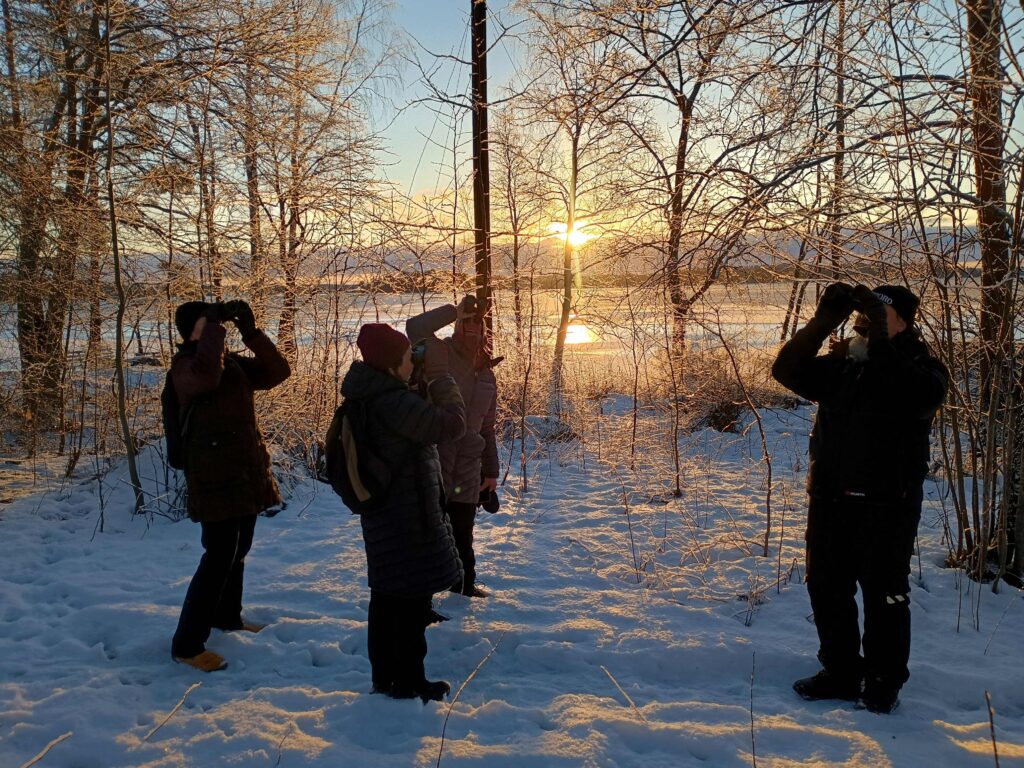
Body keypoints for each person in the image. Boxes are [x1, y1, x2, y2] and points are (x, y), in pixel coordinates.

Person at [772, 283, 948, 713]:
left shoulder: (924, 368)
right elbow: (787, 371)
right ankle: (841, 673)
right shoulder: (846, 363)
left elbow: (907, 394)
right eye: (865, 315)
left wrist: (884, 342)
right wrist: (823, 321)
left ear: (905, 321)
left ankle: (884, 682)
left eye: (880, 315)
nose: (868, 322)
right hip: (831, 496)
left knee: (885, 593)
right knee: (827, 587)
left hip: (888, 502)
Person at [343, 322, 466, 702]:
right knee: (410, 604)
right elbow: (452, 424)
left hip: (386, 516)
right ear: (393, 364)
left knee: (387, 599)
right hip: (407, 518)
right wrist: (443, 377)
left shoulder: (372, 395)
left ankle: (387, 679)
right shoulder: (394, 404)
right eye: (406, 357)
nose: (413, 363)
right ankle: (409, 683)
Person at [170, 299, 291, 672]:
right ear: (193, 331)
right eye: (207, 324)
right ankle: (187, 644)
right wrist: (213, 329)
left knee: (240, 548)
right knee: (219, 555)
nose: (215, 329)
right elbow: (206, 376)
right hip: (213, 477)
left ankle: (228, 617)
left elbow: (277, 371)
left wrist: (251, 332)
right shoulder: (185, 368)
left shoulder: (231, 362)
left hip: (243, 472)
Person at [407, 295, 499, 598]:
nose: (472, 326)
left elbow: (487, 428)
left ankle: (463, 588)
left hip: (469, 466)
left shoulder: (487, 375)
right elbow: (414, 328)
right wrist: (452, 311)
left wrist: (491, 471)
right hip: (436, 458)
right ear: (457, 324)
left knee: (463, 532)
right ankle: (423, 598)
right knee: (430, 532)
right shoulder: (439, 353)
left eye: (477, 322)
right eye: (466, 321)